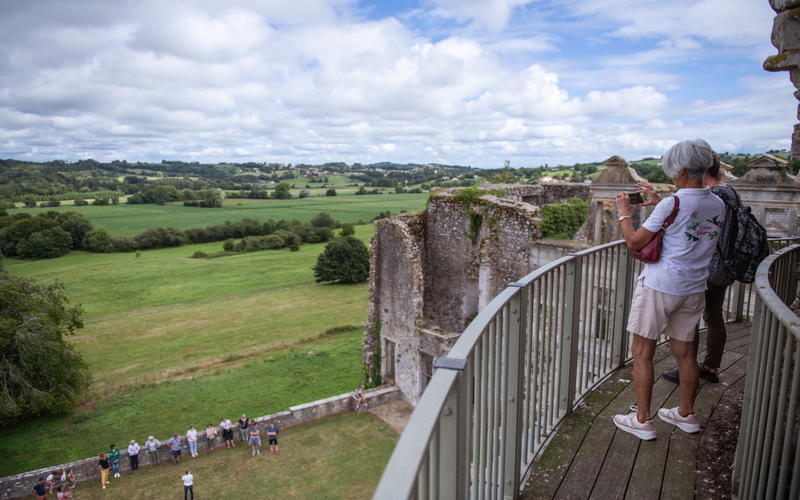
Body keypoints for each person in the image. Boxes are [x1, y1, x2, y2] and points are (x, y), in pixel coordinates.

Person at [612, 139, 725, 441]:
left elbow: (635, 243)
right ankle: (686, 414)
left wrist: (624, 213)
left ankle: (642, 420)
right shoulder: (717, 202)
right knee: (686, 354)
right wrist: (660, 200)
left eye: (673, 169)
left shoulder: (672, 203)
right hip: (694, 287)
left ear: (683, 169)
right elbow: (688, 217)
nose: (671, 173)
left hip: (660, 285)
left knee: (642, 353)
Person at [639, 154, 742, 384]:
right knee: (714, 315)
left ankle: (691, 369)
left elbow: (693, 225)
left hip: (705, 265)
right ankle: (711, 367)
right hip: (723, 264)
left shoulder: (713, 196)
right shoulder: (728, 192)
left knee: (690, 321)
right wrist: (660, 202)